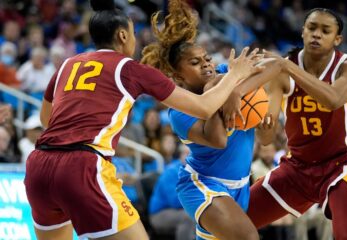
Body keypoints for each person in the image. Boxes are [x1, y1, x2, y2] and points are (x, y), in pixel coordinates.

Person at [23, 0, 264, 240]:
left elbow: (47, 118)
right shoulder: (130, 69)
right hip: (81, 165)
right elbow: (205, 106)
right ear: (122, 35)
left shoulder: (68, 64)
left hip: (38, 167)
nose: (135, 39)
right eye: (133, 33)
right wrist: (235, 77)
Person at [141, 1, 282, 239]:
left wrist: (237, 90)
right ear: (177, 75)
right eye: (195, 63)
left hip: (240, 185)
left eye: (206, 58)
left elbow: (276, 64)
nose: (206, 64)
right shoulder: (179, 111)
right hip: (203, 184)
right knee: (248, 237)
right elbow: (218, 140)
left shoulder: (227, 73)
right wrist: (219, 87)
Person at [246, 8, 347, 240]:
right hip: (298, 168)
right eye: (311, 28)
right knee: (234, 222)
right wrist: (263, 125)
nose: (316, 34)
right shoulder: (280, 73)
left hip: (341, 165)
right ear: (302, 32)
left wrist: (287, 66)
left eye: (325, 30)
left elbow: (332, 100)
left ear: (337, 39)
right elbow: (265, 140)